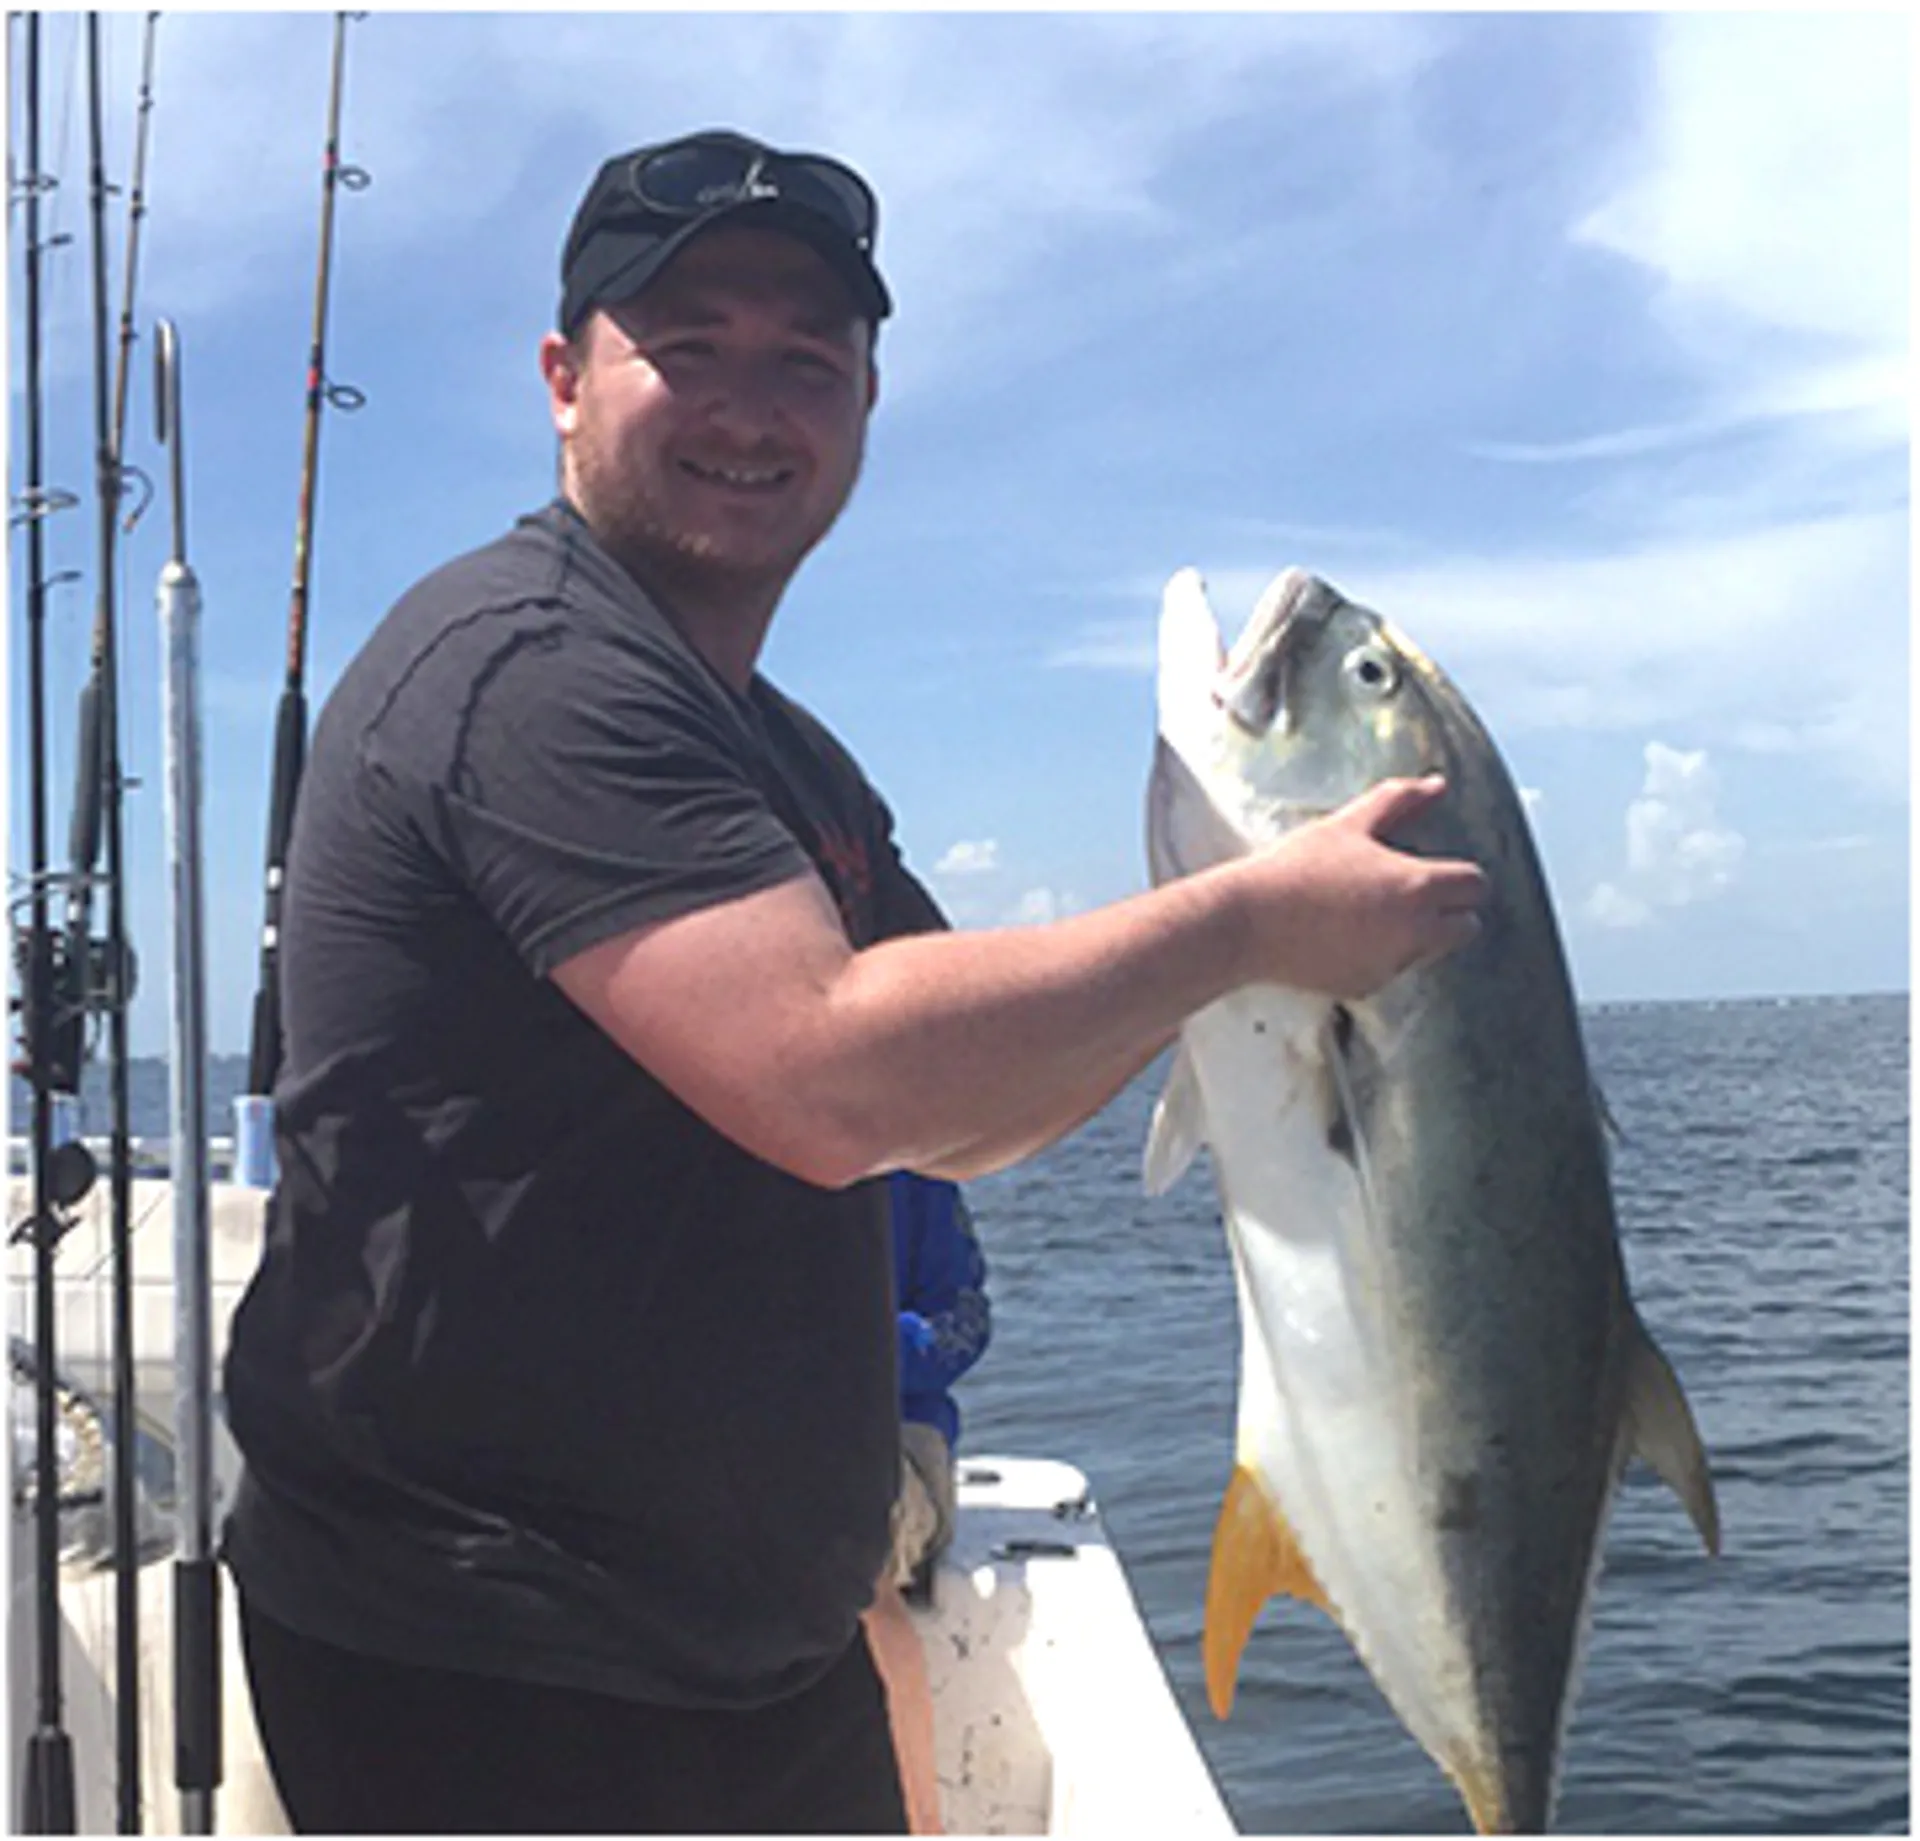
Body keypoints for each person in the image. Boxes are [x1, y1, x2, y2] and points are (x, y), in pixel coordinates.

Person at [220, 128, 1488, 1836]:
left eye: (808, 360)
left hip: (746, 1653)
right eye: (692, 345)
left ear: (869, 406)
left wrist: (1237, 943)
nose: (755, 406)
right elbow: (833, 1081)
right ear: (563, 379)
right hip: (497, 1672)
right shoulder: (528, 675)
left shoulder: (778, 756)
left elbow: (960, 1108)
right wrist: (1248, 928)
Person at [862, 1171, 992, 1834]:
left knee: (849, 1560)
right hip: (731, 1436)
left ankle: (920, 1823)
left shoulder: (911, 1166)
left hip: (894, 1439)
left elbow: (964, 1324)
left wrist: (844, 1348)